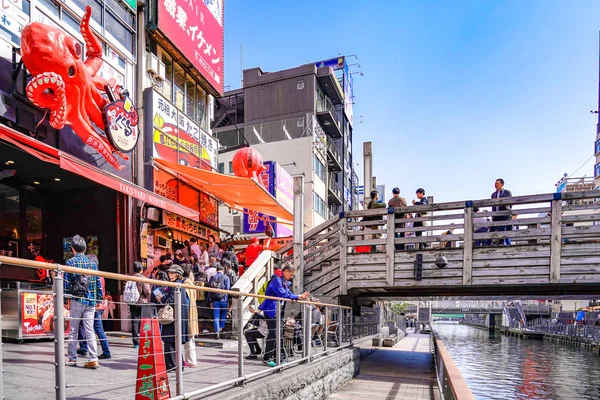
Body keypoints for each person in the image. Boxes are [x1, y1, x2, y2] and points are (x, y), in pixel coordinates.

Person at [259, 264, 310, 366]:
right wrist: (298, 296)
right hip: (271, 310)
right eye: (291, 274)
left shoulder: (283, 281)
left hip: (277, 310)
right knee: (273, 333)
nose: (291, 277)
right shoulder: (277, 280)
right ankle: (267, 358)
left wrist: (298, 296)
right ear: (286, 271)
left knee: (279, 334)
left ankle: (279, 357)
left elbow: (288, 294)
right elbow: (282, 294)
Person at [64, 235, 103, 369]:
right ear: (85, 248)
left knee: (73, 329)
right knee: (90, 330)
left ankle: (72, 358)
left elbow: (66, 283)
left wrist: (65, 299)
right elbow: (98, 282)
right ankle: (93, 358)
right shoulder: (92, 263)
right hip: (91, 301)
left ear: (73, 249)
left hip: (77, 300)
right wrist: (99, 298)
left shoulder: (70, 263)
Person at [155, 265, 190, 371]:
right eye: (169, 273)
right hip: (178, 316)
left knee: (169, 341)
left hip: (172, 317)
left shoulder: (174, 285)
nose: (170, 275)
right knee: (176, 342)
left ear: (178, 274)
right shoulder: (180, 285)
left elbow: (171, 300)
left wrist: (161, 298)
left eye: (172, 273)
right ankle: (179, 364)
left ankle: (171, 365)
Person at [77, 254, 111, 359]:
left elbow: (97, 291)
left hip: (94, 306)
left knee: (97, 328)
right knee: (86, 326)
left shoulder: (94, 275)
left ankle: (106, 351)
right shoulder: (100, 276)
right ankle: (84, 348)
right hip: (95, 305)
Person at [130, 261, 152, 349]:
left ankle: (135, 342)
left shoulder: (130, 278)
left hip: (132, 302)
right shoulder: (143, 278)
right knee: (144, 321)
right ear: (141, 269)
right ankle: (144, 339)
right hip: (142, 302)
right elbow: (147, 291)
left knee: (134, 322)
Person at [181, 264, 198, 367]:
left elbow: (185, 302)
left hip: (187, 314)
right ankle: (190, 360)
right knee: (190, 338)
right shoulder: (191, 283)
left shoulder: (185, 284)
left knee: (188, 338)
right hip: (192, 313)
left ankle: (191, 361)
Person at [208, 264, 231, 339]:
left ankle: (217, 332)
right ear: (223, 270)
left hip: (215, 300)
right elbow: (227, 289)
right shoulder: (226, 277)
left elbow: (209, 291)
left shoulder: (212, 278)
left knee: (216, 316)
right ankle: (221, 328)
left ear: (216, 270)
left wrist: (210, 301)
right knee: (223, 314)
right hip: (224, 299)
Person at [491, 178, 513, 246]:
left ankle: (501, 243)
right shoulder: (493, 194)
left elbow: (511, 203)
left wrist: (507, 212)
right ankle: (489, 243)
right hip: (495, 214)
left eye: (497, 183)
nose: (495, 185)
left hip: (504, 214)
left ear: (502, 184)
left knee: (503, 228)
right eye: (495, 184)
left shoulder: (507, 192)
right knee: (492, 229)